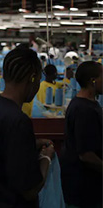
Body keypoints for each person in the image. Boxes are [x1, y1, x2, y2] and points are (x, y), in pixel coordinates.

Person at [0, 47, 55, 208]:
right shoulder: (19, 120)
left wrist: (29, 145)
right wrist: (46, 158)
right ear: (32, 78)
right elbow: (29, 190)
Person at [60, 61, 103, 208]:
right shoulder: (84, 110)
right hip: (83, 190)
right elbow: (86, 155)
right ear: (93, 80)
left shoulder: (86, 104)